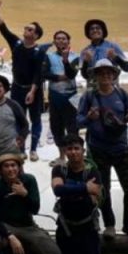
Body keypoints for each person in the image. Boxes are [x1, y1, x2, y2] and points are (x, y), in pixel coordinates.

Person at [76, 59, 128, 238]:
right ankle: (109, 225)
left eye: (108, 73)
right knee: (103, 190)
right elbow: (78, 122)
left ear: (113, 75)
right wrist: (89, 118)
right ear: (95, 77)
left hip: (121, 149)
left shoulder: (122, 94)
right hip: (99, 151)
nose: (105, 76)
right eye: (101, 73)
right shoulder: (88, 97)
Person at [52, 135, 105, 254]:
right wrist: (84, 188)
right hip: (66, 228)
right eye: (69, 149)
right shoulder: (59, 169)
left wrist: (71, 188)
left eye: (76, 148)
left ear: (83, 150)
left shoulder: (93, 171)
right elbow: (57, 189)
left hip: (87, 229)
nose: (73, 152)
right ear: (65, 151)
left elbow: (95, 192)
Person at [0, 0, 48, 160]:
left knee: (35, 119)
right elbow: (2, 28)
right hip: (17, 88)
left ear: (36, 35)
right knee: (18, 118)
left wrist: (32, 91)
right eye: (25, 28)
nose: (26, 30)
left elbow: (38, 74)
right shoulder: (16, 44)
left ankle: (34, 149)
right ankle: (21, 148)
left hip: (33, 89)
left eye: (30, 29)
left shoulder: (39, 51)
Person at [42, 30, 80, 163]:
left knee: (73, 127)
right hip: (55, 95)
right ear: (54, 42)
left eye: (64, 38)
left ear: (68, 41)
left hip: (71, 96)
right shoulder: (49, 56)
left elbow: (72, 74)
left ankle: (74, 156)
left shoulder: (76, 57)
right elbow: (44, 73)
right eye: (58, 38)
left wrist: (65, 60)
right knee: (56, 127)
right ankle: (62, 156)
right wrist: (59, 77)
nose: (61, 41)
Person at [79, 20, 128, 87]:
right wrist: (86, 62)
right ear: (88, 33)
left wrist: (116, 57)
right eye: (92, 29)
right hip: (93, 89)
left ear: (103, 31)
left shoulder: (113, 46)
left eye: (98, 28)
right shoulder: (84, 51)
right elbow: (84, 76)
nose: (95, 30)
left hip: (112, 88)